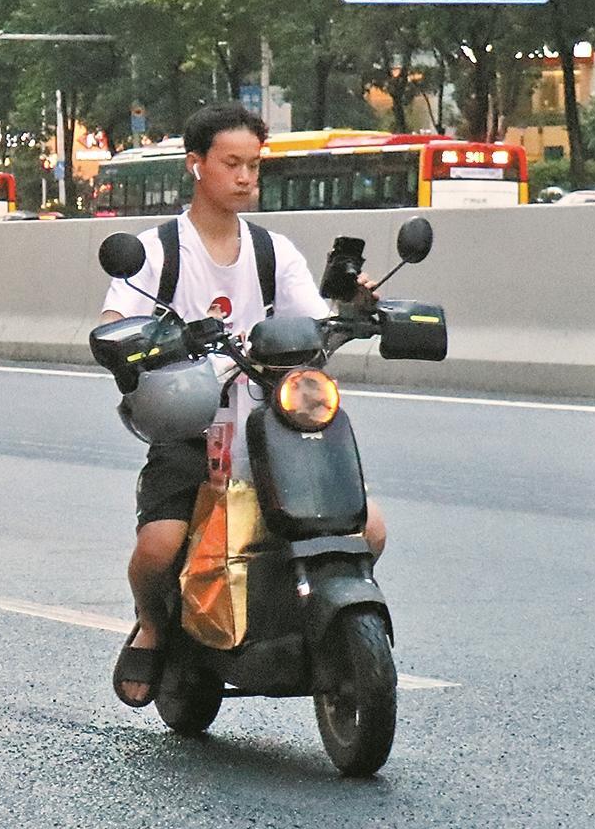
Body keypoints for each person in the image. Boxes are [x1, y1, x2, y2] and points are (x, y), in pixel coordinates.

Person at [97, 102, 386, 708]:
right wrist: (148, 341)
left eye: (254, 165)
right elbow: (116, 321)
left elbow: (309, 323)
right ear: (195, 165)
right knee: (159, 546)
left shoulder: (274, 251)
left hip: (272, 422)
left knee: (370, 528)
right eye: (232, 164)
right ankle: (153, 623)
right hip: (190, 422)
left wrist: (352, 316)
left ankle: (309, 623)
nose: (246, 177)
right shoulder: (157, 251)